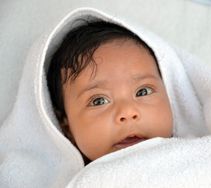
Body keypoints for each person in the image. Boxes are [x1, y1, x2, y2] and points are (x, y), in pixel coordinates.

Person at [47, 21, 173, 163]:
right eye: (99, 101)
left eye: (143, 91)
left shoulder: (195, 157)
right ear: (67, 128)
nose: (127, 112)